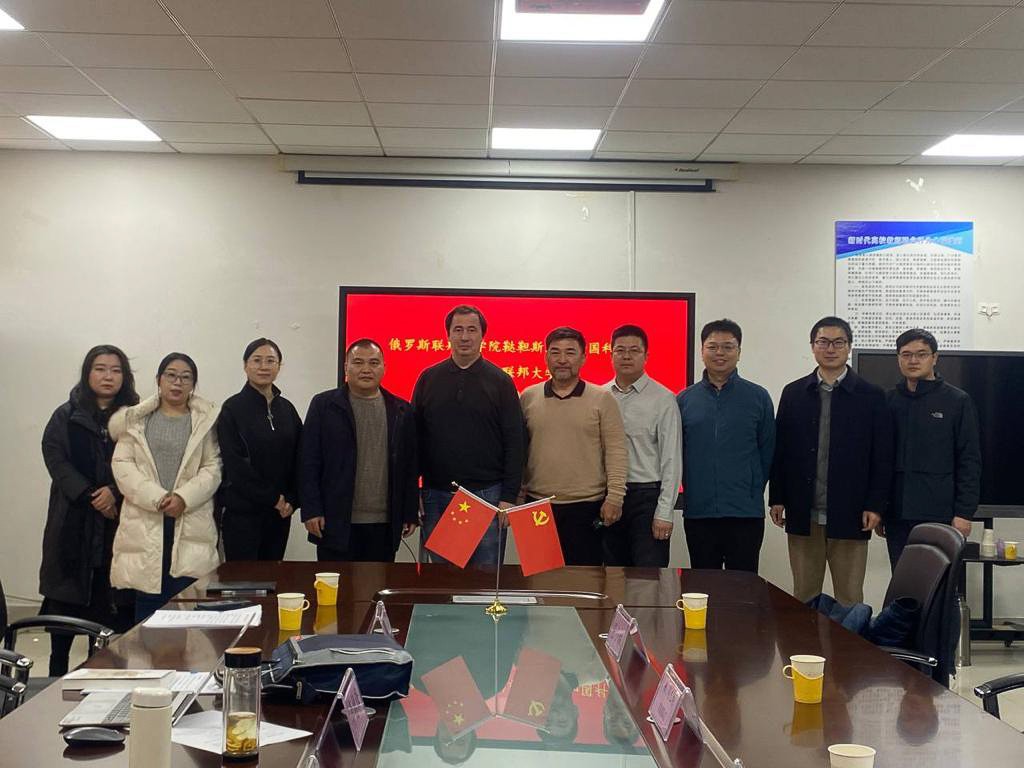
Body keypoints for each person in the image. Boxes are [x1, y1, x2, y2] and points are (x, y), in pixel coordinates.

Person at [769, 317, 893, 606]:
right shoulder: (794, 393)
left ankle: (847, 640)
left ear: (849, 347)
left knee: (850, 598)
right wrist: (777, 497)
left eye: (838, 342)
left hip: (852, 512)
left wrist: (876, 505)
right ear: (812, 346)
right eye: (823, 342)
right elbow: (781, 449)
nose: (830, 349)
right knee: (804, 596)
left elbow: (882, 455)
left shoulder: (872, 395)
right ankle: (805, 640)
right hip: (804, 510)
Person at [38, 345, 138, 675]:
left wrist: (114, 492)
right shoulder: (65, 415)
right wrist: (91, 495)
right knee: (64, 614)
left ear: (125, 377)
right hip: (73, 521)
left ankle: (109, 680)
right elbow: (55, 457)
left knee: (113, 614)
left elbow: (141, 465)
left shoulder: (135, 417)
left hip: (117, 525)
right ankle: (55, 677)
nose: (108, 376)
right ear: (87, 373)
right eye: (100, 368)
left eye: (115, 370)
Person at [109, 353, 222, 622]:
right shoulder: (136, 419)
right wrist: (157, 497)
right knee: (149, 602)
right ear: (159, 380)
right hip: (147, 518)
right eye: (171, 375)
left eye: (185, 377)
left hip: (189, 517)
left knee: (188, 602)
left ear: (193, 384)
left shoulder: (204, 421)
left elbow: (213, 467)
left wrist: (183, 497)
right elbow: (122, 464)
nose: (177, 382)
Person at [413, 305, 524, 565]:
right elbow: (414, 438)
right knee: (443, 578)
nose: (465, 337)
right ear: (448, 335)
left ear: (482, 335)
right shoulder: (428, 378)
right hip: (436, 495)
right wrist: (412, 492)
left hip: (487, 495)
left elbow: (515, 441)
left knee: (484, 577)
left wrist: (508, 497)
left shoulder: (501, 381)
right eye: (458, 330)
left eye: (472, 330)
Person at [300, 339, 418, 562]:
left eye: (373, 363)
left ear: (384, 367)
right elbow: (308, 461)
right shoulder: (324, 405)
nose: (366, 369)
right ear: (346, 367)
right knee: (334, 583)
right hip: (335, 520)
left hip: (384, 524)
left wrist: (410, 512)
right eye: (358, 362)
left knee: (378, 583)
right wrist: (311, 509)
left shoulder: (402, 410)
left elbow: (410, 465)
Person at [521, 327, 628, 566]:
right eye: (555, 352)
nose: (562, 359)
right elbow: (518, 450)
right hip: (536, 505)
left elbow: (616, 451)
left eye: (570, 352)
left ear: (583, 358)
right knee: (538, 579)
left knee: (583, 580)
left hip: (586, 506)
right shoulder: (528, 397)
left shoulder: (602, 399)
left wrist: (615, 498)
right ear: (546, 357)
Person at [677, 319, 775, 572]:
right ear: (702, 351)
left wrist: (752, 486)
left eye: (728, 347)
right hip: (699, 511)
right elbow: (677, 454)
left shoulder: (758, 397)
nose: (719, 353)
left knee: (743, 585)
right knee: (703, 583)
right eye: (712, 347)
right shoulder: (685, 400)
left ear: (739, 352)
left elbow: (768, 451)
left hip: (745, 512)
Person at [882, 328, 981, 569]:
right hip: (897, 514)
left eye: (921, 354)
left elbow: (969, 460)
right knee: (903, 583)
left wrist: (964, 513)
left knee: (938, 583)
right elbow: (880, 459)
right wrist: (879, 509)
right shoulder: (888, 401)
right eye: (906, 354)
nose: (913, 360)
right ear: (898, 358)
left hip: (940, 514)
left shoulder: (957, 401)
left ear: (934, 358)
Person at [217, 338, 302, 561]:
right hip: (243, 514)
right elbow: (235, 464)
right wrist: (272, 498)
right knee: (243, 578)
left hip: (280, 514)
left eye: (270, 361)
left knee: (273, 576)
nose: (264, 366)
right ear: (245, 365)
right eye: (257, 360)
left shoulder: (287, 409)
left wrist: (292, 499)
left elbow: (301, 458)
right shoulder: (232, 409)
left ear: (279, 366)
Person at [604, 324, 681, 567]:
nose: (626, 356)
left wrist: (665, 512)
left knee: (649, 577)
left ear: (646, 356)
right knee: (611, 574)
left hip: (646, 498)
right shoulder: (600, 396)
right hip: (608, 497)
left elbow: (671, 459)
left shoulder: (663, 399)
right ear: (611, 354)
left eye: (634, 350)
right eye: (620, 350)